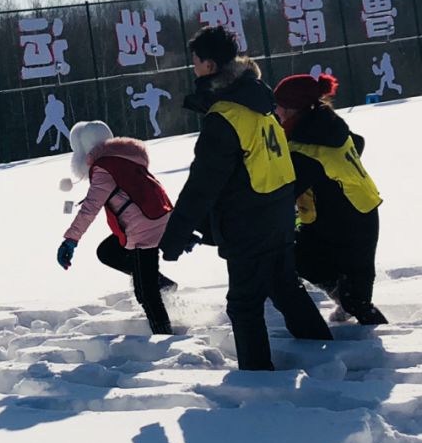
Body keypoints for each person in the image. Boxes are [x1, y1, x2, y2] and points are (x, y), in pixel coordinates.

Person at [159, 26, 332, 371]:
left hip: (249, 225)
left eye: (194, 62)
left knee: (244, 304)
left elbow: (202, 185)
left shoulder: (225, 117)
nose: (192, 68)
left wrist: (175, 235)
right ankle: (325, 353)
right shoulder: (257, 100)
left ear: (209, 65)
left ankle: (258, 385)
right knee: (285, 288)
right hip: (277, 214)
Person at [273, 73, 387, 325]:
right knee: (296, 256)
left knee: (358, 301)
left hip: (355, 221)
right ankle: (342, 297)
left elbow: (284, 192)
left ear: (293, 109)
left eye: (278, 106)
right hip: (333, 216)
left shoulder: (307, 146)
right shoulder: (324, 123)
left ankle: (385, 352)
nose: (275, 112)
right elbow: (358, 142)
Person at [57, 121, 177, 335]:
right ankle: (161, 282)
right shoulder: (124, 158)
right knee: (108, 251)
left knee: (145, 292)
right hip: (160, 218)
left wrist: (71, 240)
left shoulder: (103, 168)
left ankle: (163, 337)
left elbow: (90, 210)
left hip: (144, 229)